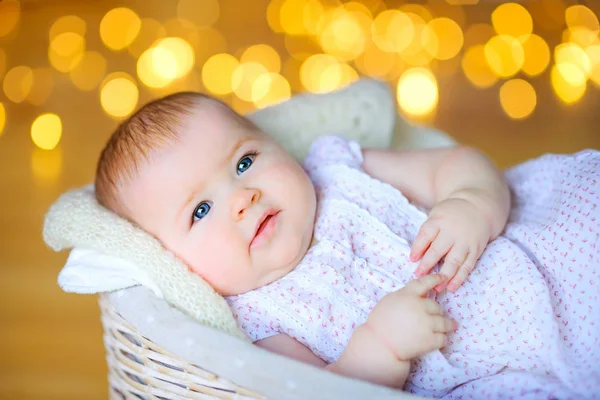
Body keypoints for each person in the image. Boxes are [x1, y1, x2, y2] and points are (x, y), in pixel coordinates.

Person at [94, 91, 600, 399]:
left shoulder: (336, 170)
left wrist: (469, 203)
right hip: (495, 367)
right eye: (200, 211)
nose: (243, 199)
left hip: (535, 249)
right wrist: (381, 345)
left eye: (245, 161)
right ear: (173, 261)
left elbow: (454, 163)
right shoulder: (261, 322)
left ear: (275, 147)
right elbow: (328, 391)